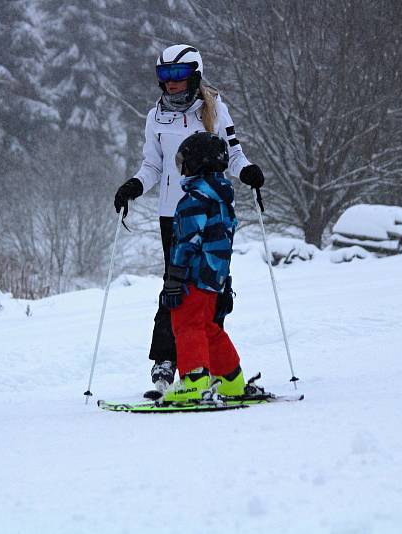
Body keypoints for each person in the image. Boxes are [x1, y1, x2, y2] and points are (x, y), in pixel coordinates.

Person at [113, 44, 265, 390]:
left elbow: (235, 154)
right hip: (174, 214)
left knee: (212, 288)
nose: (171, 83)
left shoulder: (214, 109)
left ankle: (209, 364)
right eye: (165, 76)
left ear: (193, 76)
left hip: (213, 213)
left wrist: (249, 172)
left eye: (178, 76)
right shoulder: (155, 117)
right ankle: (166, 361)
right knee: (176, 286)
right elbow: (152, 165)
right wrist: (134, 187)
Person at [159, 132, 248, 402]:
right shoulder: (223, 199)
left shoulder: (194, 200)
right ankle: (230, 379)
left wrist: (174, 279)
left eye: (184, 163)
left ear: (198, 163)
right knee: (208, 326)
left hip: (193, 277)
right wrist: (224, 281)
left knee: (186, 325)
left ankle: (194, 381)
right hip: (213, 278)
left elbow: (187, 242)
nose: (181, 169)